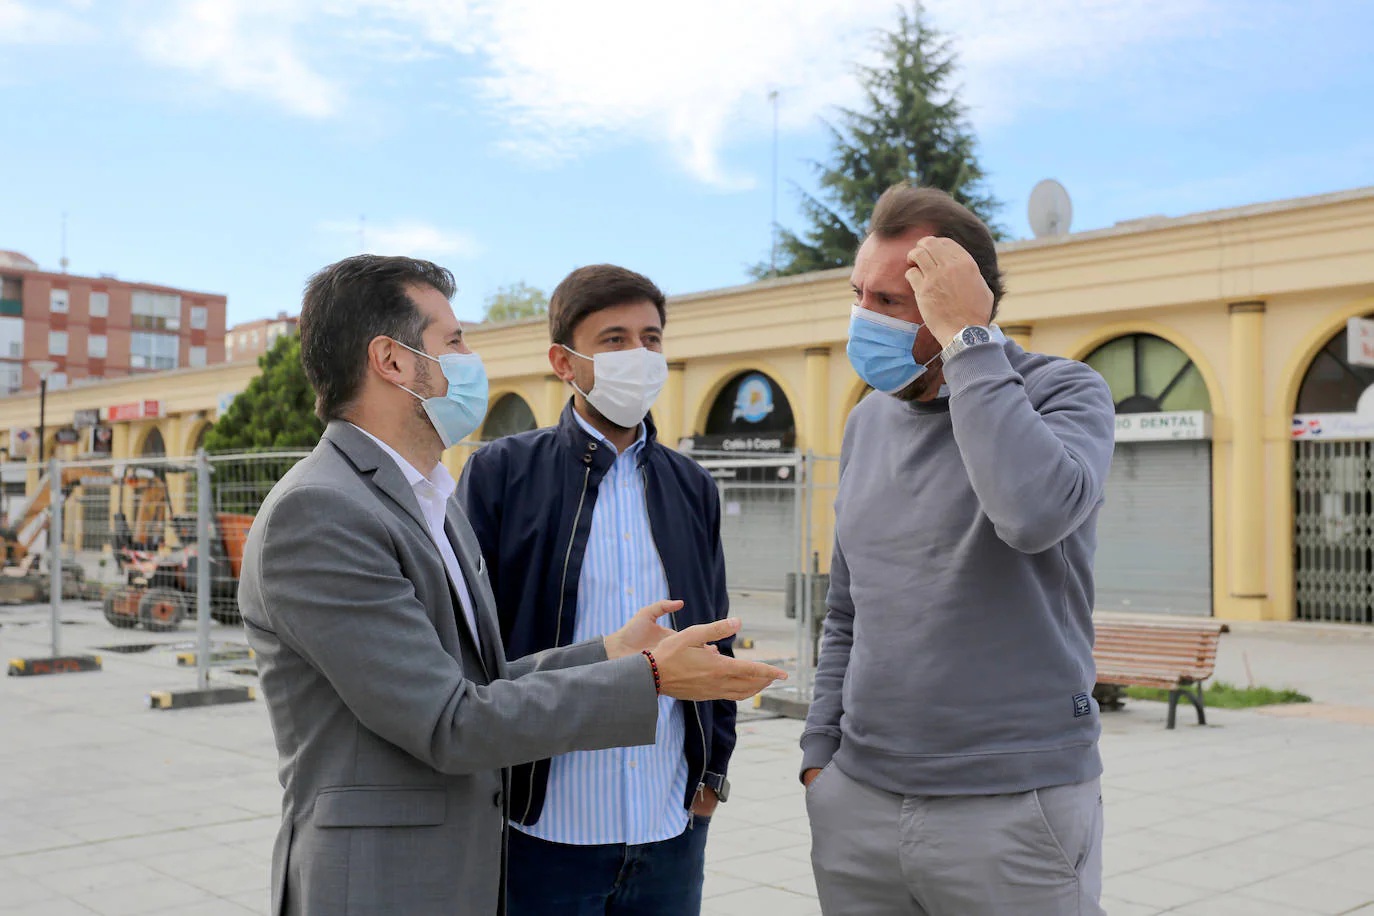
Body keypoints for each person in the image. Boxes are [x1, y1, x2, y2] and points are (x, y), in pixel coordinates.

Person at [237, 255, 786, 916]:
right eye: (455, 340)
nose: (472, 356)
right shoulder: (323, 512)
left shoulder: (424, 498)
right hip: (390, 884)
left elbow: (482, 678)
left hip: (484, 865)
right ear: (392, 360)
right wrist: (650, 677)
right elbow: (450, 721)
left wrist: (608, 651)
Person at [801, 185, 1115, 916]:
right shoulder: (866, 425)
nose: (863, 318)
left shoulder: (1063, 392)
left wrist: (970, 344)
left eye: (891, 300)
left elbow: (1031, 513)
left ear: (959, 301)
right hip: (859, 802)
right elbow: (848, 607)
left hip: (1013, 805)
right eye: (859, 294)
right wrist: (821, 756)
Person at [461, 265, 732, 916]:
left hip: (668, 827)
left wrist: (712, 774)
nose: (637, 355)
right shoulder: (500, 474)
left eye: (650, 338)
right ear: (564, 360)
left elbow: (715, 633)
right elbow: (471, 646)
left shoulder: (691, 486)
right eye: (613, 340)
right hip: (545, 827)